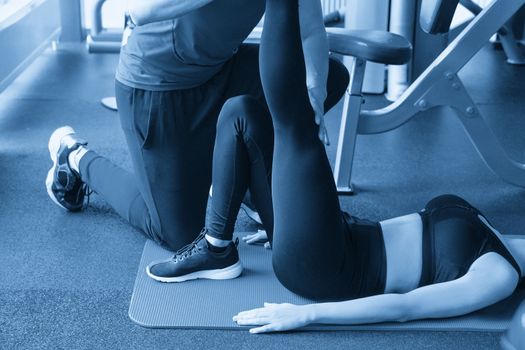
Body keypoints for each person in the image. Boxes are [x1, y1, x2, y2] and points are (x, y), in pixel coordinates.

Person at [146, 0, 525, 334]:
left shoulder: (499, 277)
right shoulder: (501, 236)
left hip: (329, 269)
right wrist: (288, 223)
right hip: (334, 234)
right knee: (241, 112)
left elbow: (404, 309)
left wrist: (309, 316)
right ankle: (216, 246)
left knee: (295, 127)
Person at [45, 1, 349, 254]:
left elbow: (309, 31)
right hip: (157, 88)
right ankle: (75, 157)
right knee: (176, 236)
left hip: (220, 72)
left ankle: (247, 181)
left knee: (328, 77)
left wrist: (314, 89)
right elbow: (139, 10)